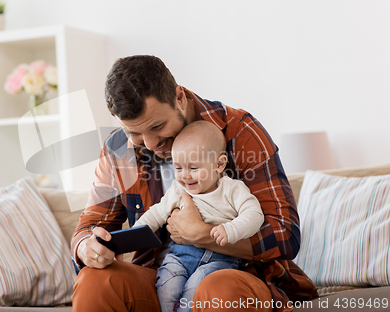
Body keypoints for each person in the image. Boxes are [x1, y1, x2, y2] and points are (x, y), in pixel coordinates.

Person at [71, 55, 318, 312]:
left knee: (219, 290)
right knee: (95, 281)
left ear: (179, 98)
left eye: (158, 126)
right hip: (160, 277)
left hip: (235, 274)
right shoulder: (118, 149)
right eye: (134, 133)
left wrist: (203, 235)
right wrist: (85, 247)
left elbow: (285, 234)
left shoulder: (240, 131)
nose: (151, 144)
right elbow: (90, 226)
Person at [132, 120, 264, 312]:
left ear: (219, 164)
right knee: (167, 288)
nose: (185, 176)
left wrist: (231, 230)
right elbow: (157, 212)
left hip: (221, 259)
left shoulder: (232, 189)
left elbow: (254, 214)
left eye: (193, 168)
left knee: (195, 291)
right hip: (180, 256)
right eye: (178, 168)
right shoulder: (178, 188)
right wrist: (136, 233)